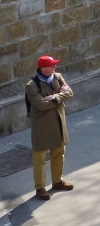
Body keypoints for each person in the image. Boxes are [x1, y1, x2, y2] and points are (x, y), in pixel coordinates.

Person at [26, 55, 74, 200]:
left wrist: (54, 97)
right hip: (42, 125)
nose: (54, 67)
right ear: (43, 68)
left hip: (58, 121)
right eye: (51, 66)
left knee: (59, 152)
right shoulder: (31, 85)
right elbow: (41, 105)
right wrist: (61, 96)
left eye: (54, 65)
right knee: (39, 157)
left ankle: (57, 181)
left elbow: (70, 93)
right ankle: (40, 188)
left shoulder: (57, 77)